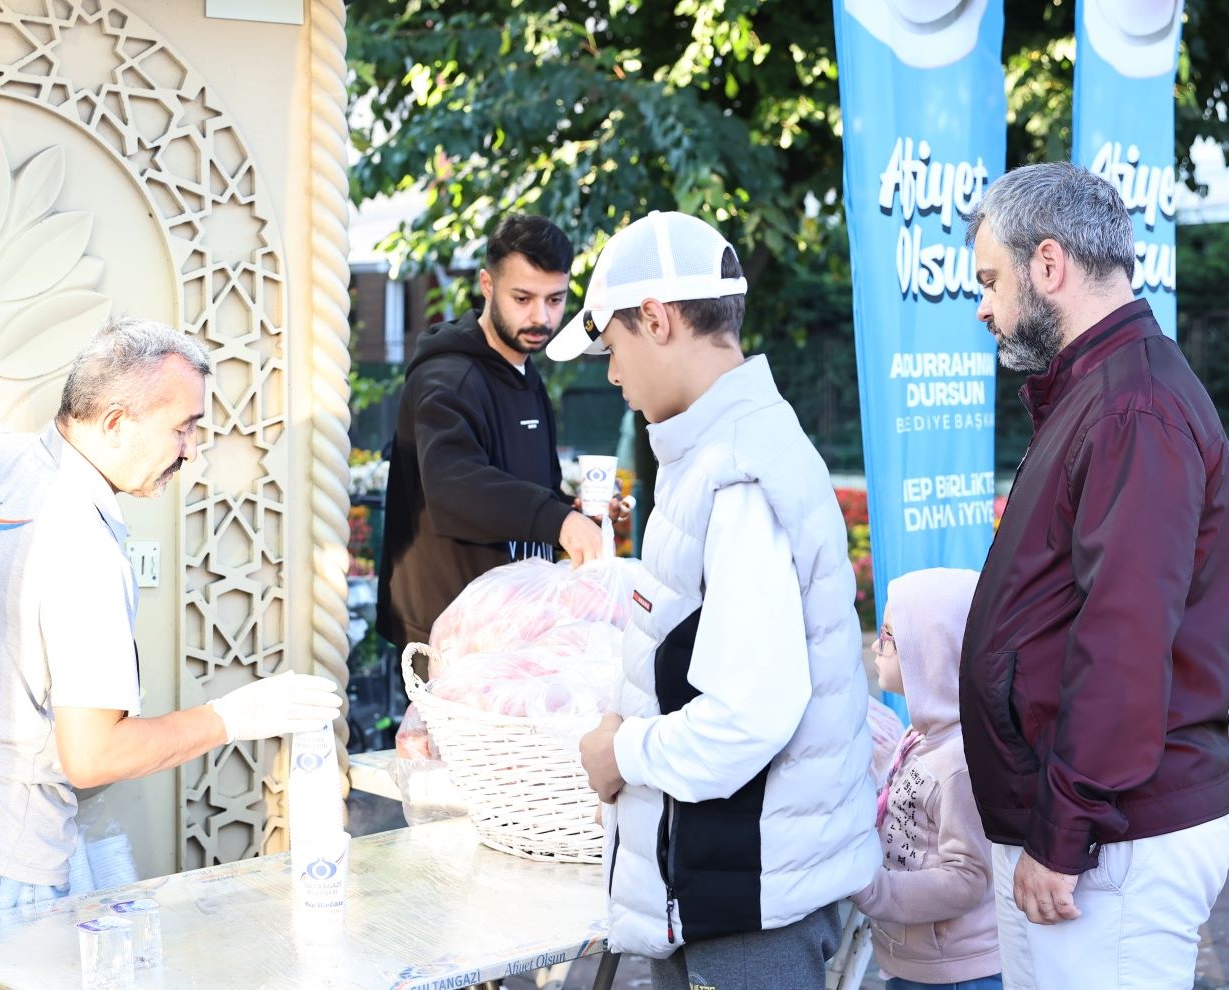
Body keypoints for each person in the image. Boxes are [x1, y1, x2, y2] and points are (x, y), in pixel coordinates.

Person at [0, 316, 343, 988]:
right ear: (113, 423)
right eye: (182, 427)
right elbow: (95, 755)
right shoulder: (83, 547)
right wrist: (235, 716)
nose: (191, 450)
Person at [557, 211, 879, 990]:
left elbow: (749, 713)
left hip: (749, 911)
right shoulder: (720, 452)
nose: (610, 373)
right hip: (733, 893)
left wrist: (619, 750)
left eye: (611, 344)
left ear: (658, 320)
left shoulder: (735, 472)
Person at [959, 162, 1229, 990]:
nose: (983, 304)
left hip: (1111, 839)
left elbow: (1124, 639)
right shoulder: (1106, 394)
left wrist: (1064, 831)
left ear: (1048, 266)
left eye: (991, 280)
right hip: (1097, 832)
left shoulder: (1131, 406)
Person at [376, 214, 607, 652]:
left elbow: (525, 490)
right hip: (449, 636)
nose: (541, 316)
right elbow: (453, 485)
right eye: (523, 298)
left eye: (555, 300)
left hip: (514, 627)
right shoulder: (447, 377)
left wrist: (573, 511)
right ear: (487, 285)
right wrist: (557, 519)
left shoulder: (526, 374)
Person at [853, 568, 1001, 990]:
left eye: (889, 636)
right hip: (916, 965)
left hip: (958, 975)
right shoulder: (921, 735)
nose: (877, 648)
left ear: (932, 648)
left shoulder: (961, 761)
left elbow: (969, 877)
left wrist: (874, 891)